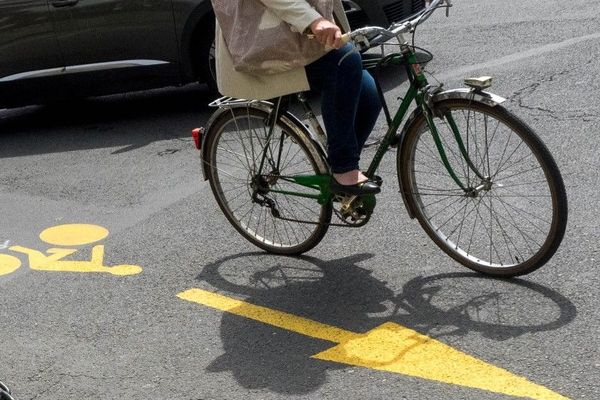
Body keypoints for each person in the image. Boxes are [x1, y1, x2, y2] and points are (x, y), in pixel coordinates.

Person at [213, 0, 382, 195]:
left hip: (299, 30)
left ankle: (338, 174)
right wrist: (313, 20)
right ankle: (344, 170)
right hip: (267, 40)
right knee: (344, 62)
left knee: (370, 94)